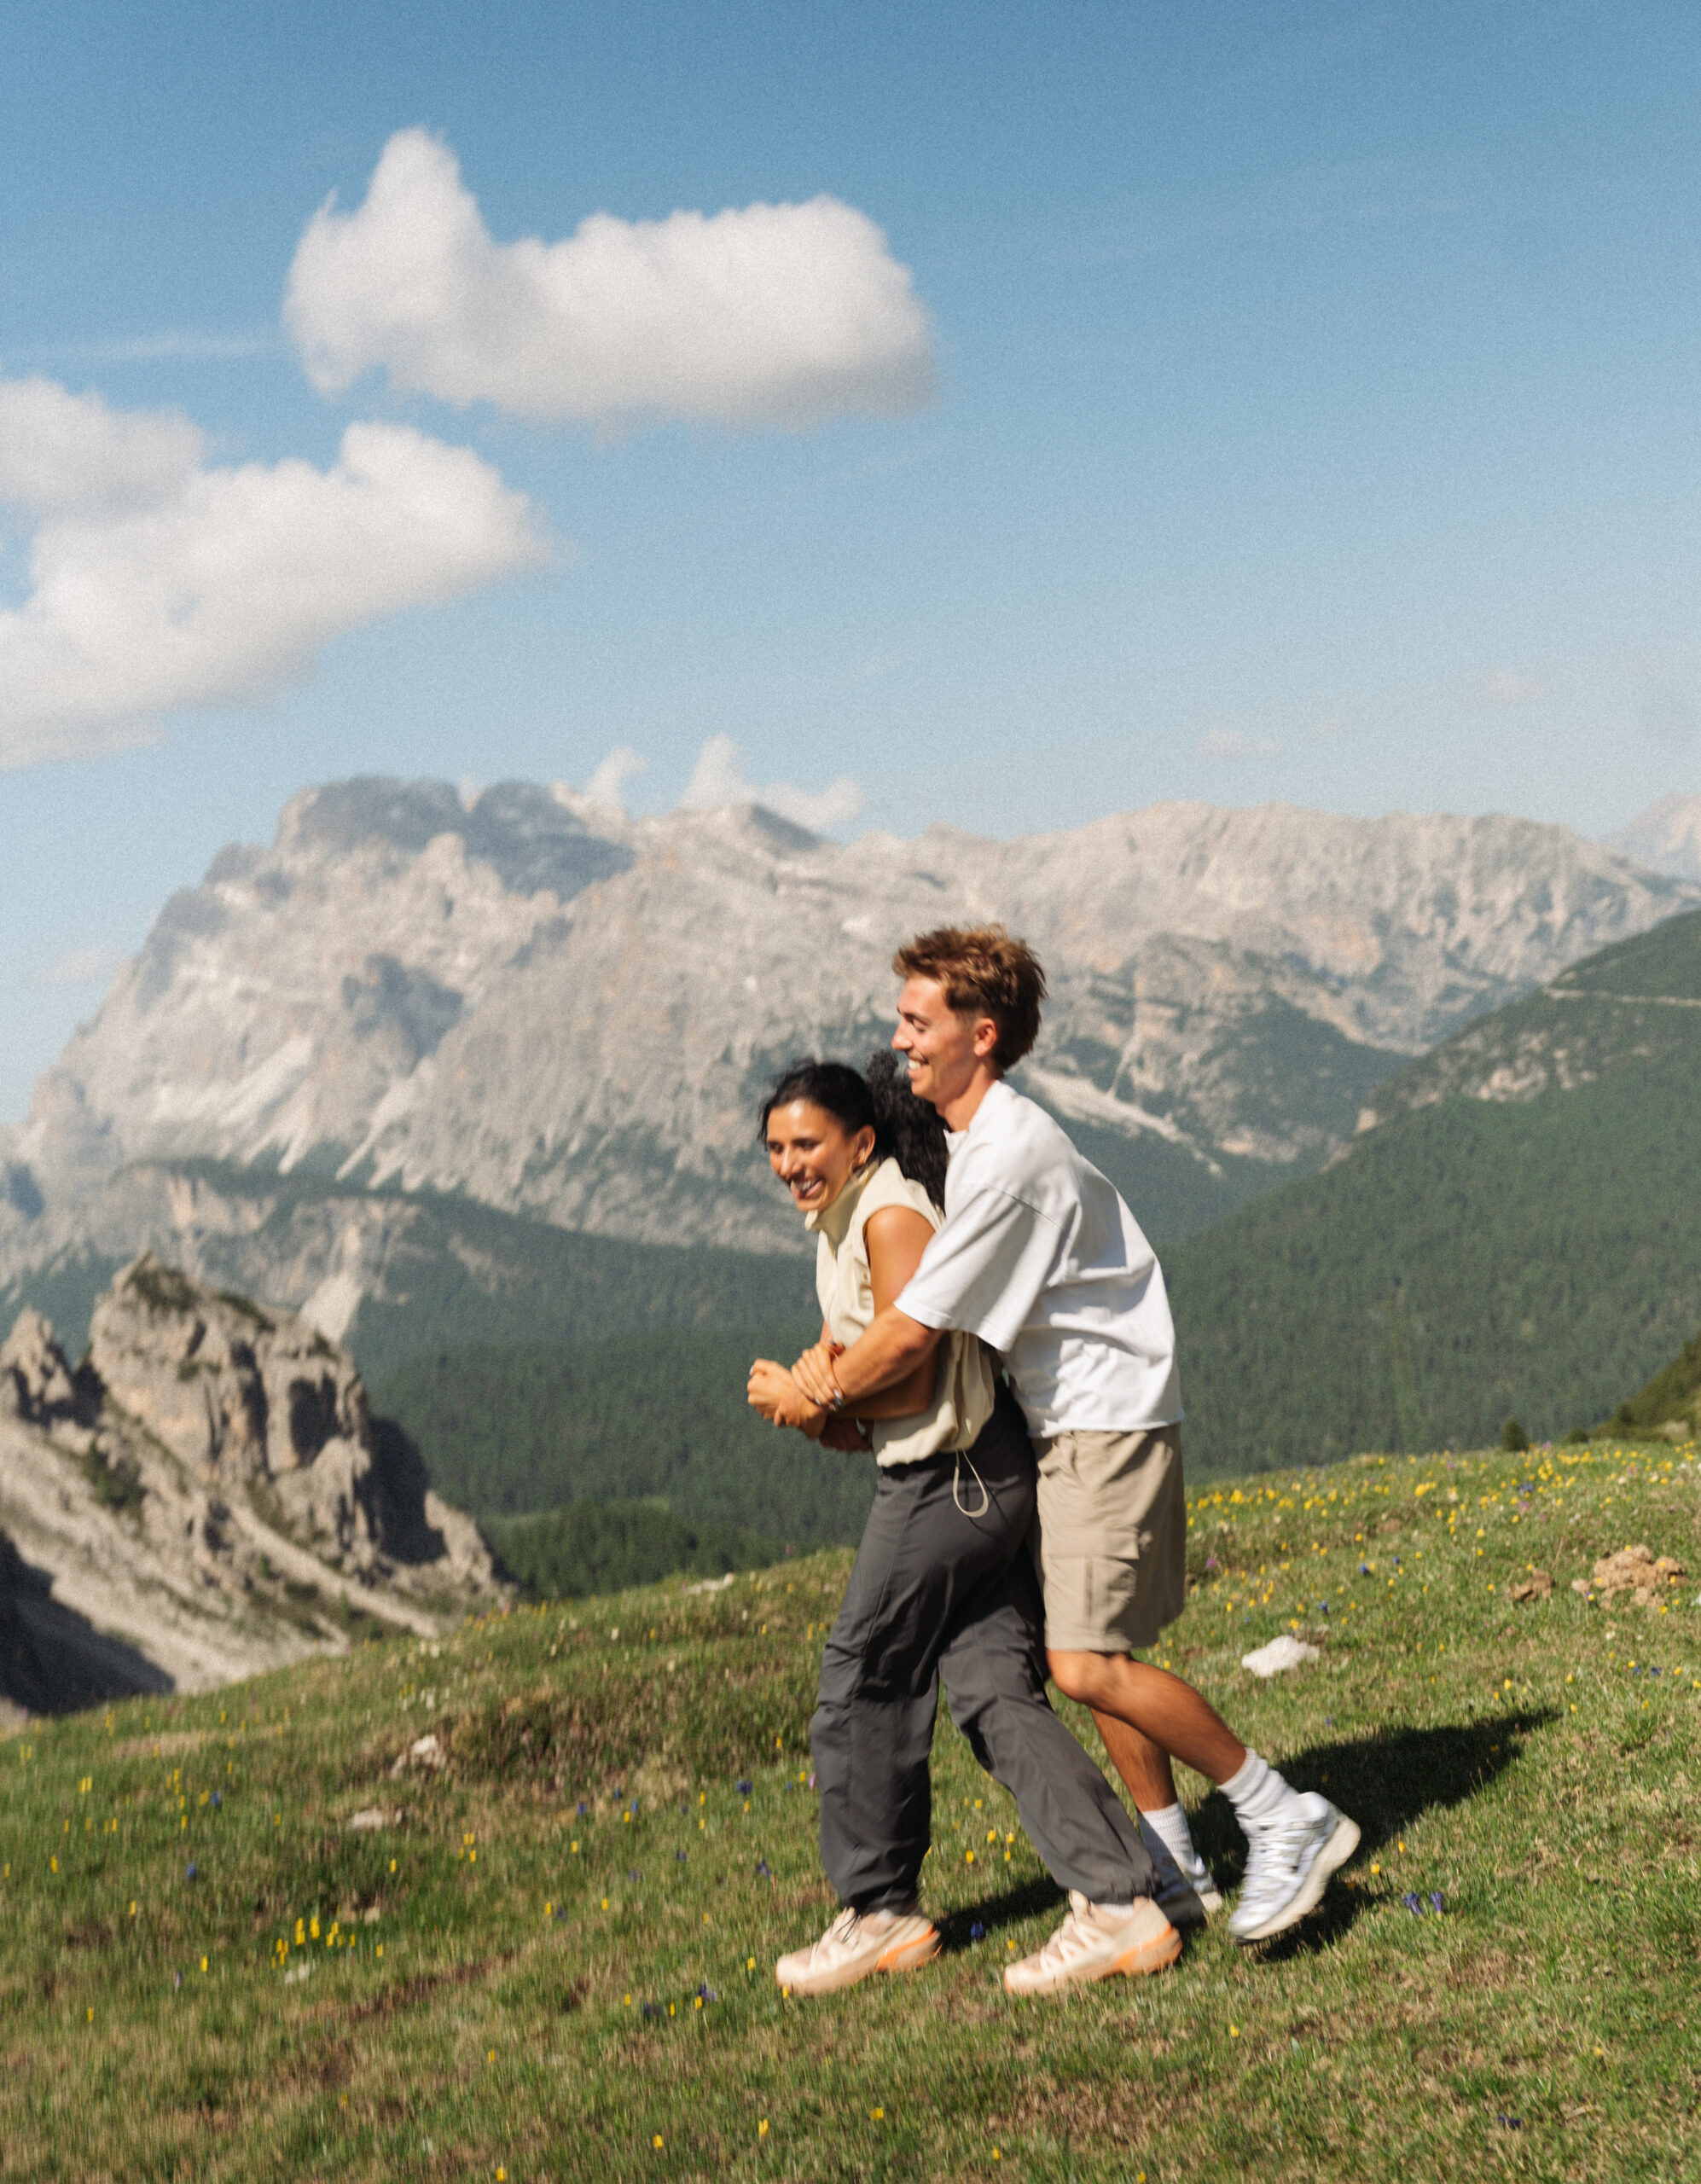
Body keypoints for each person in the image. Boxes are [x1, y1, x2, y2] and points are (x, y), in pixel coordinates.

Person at [790, 927, 1360, 1957]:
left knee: (1086, 1661)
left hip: (1104, 1414)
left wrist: (814, 1388)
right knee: (1096, 1652)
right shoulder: (970, 1141)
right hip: (1064, 1416)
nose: (899, 1040)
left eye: (918, 1023)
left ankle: (1281, 1813)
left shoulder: (1005, 1159)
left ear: (982, 1033)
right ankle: (1171, 1861)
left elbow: (914, 1331)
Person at [747, 1053, 1181, 1996]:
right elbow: (879, 1405)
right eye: (776, 1147)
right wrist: (819, 1407)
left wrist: (813, 1385)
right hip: (980, 1480)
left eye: (807, 1142)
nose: (789, 1162)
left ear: (859, 1140)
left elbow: (917, 1352)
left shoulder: (890, 1209)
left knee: (861, 1673)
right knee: (989, 1691)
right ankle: (1122, 1897)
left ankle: (879, 1910)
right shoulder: (847, 1217)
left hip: (949, 1485)